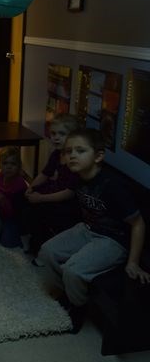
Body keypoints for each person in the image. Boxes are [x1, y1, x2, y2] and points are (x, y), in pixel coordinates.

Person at [38, 128, 150, 333]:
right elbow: (65, 192)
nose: (72, 155)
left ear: (98, 156)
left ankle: (78, 308)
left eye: (80, 151)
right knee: (47, 252)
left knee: (73, 269)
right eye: (69, 151)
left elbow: (138, 223)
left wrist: (133, 262)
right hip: (88, 229)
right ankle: (68, 294)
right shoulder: (76, 175)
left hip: (112, 240)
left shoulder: (113, 185)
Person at [25, 113, 81, 259]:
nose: (55, 137)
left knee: (40, 210)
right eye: (53, 133)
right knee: (25, 198)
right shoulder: (56, 154)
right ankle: (33, 237)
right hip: (52, 190)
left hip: (66, 202)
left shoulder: (74, 160)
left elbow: (69, 192)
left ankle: (42, 247)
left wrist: (41, 198)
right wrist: (31, 187)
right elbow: (44, 174)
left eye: (62, 134)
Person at [0, 146, 28, 248]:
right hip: (0, 212)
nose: (9, 167)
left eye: (13, 164)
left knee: (8, 242)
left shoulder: (19, 184)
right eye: (5, 163)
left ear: (18, 166)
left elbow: (18, 210)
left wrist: (3, 200)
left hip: (14, 217)